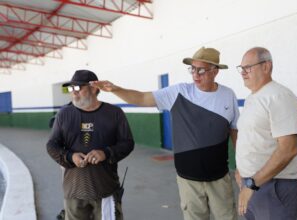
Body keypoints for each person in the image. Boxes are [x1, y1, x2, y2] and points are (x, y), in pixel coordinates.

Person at [91, 47, 239, 220]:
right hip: (188, 180)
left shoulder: (228, 95)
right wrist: (116, 89)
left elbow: (235, 130)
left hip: (220, 177)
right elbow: (142, 98)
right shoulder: (178, 92)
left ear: (215, 71)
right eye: (193, 69)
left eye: (201, 70)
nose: (195, 74)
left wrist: (241, 167)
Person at [47, 70, 134, 220]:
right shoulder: (64, 114)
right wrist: (70, 156)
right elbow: (52, 145)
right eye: (71, 88)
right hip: (73, 192)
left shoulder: (114, 113)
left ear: (94, 88)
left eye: (78, 88)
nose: (73, 93)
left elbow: (127, 143)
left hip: (105, 190)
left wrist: (105, 153)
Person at [235, 47, 297, 220]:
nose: (243, 72)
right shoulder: (253, 98)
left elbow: (288, 149)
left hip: (273, 185)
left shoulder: (280, 96)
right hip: (251, 185)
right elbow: (253, 138)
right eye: (241, 68)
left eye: (248, 67)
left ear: (266, 66)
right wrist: (241, 170)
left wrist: (251, 184)